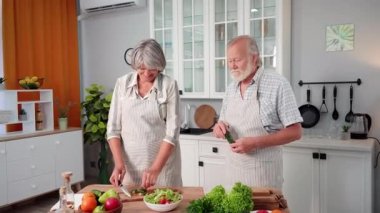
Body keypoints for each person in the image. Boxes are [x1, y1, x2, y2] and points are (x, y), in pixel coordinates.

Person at [213, 35, 303, 190]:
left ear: (254, 58)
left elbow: (295, 132)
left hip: (263, 177)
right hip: (233, 174)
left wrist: (255, 143)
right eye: (229, 61)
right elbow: (222, 122)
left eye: (237, 60)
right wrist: (218, 128)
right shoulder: (231, 88)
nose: (232, 66)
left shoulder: (278, 84)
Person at [106, 39, 182, 189]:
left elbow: (172, 133)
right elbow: (113, 129)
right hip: (130, 168)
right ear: (135, 65)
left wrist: (155, 169)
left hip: (163, 169)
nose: (147, 73)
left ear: (160, 65)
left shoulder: (169, 85)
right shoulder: (122, 84)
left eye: (152, 68)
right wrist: (119, 164)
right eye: (141, 68)